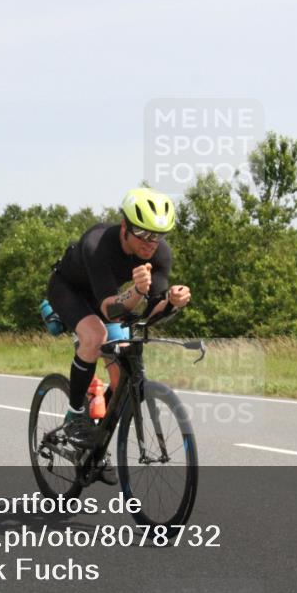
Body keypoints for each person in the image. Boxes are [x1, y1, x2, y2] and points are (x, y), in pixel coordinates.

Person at [46, 187, 192, 483]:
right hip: (70, 291)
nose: (152, 243)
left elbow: (149, 313)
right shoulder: (98, 244)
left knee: (122, 367)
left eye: (159, 234)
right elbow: (110, 311)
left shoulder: (160, 253)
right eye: (144, 233)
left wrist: (171, 303)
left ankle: (96, 445)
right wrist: (137, 290)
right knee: (94, 336)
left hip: (111, 298)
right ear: (125, 226)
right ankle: (75, 415)